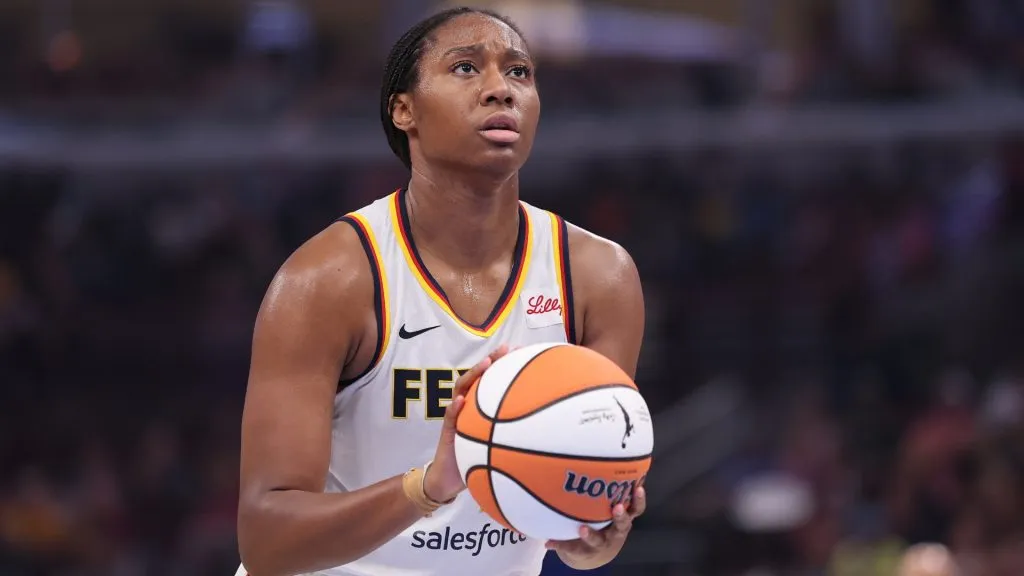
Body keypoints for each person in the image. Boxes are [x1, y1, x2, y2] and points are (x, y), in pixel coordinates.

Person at [235, 7, 646, 576]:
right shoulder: (328, 280)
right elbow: (267, 541)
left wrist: (593, 530)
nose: (500, 89)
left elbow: (586, 541)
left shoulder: (600, 277)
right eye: (465, 68)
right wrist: (432, 485)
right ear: (405, 110)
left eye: (519, 72)